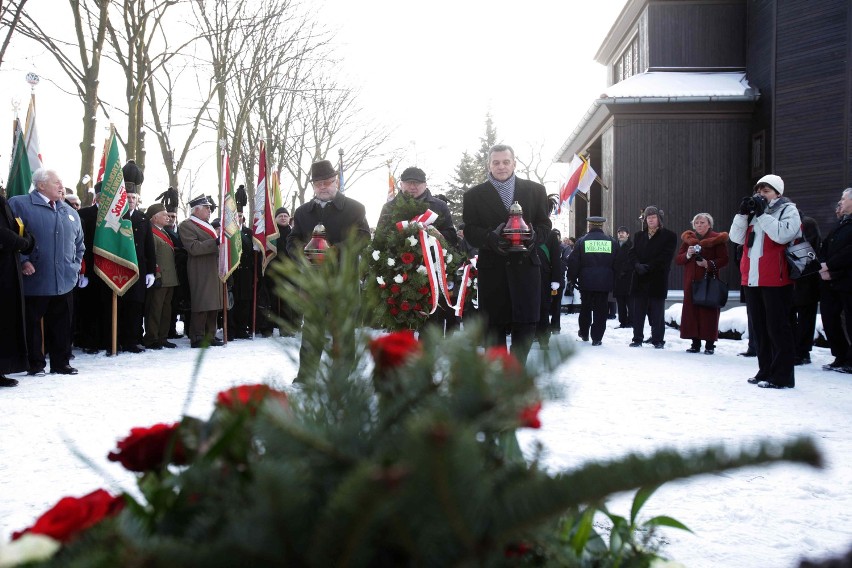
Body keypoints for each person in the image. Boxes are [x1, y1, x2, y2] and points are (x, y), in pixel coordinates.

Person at [462, 144, 551, 365]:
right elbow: (470, 230)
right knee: (493, 325)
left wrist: (533, 237)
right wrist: (489, 238)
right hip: (493, 269)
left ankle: (516, 369)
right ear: (489, 164)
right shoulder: (473, 195)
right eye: (496, 162)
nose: (501, 167)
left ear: (514, 163)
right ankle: (498, 373)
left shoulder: (535, 190)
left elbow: (545, 225)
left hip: (526, 268)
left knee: (527, 321)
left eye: (505, 162)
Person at [286, 159, 370, 382]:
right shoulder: (303, 212)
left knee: (342, 330)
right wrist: (303, 252)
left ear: (336, 182)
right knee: (312, 328)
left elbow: (363, 237)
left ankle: (342, 375)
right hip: (314, 281)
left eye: (327, 182)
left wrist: (335, 251)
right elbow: (292, 239)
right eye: (318, 183)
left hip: (344, 278)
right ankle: (306, 376)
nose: (323, 187)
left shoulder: (355, 208)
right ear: (313, 186)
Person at [9, 168, 85, 376]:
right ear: (41, 185)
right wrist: (23, 260)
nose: (62, 186)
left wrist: (75, 265)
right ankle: (35, 363)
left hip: (64, 280)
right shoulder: (19, 204)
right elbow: (11, 236)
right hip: (35, 279)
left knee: (62, 324)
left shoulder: (69, 211)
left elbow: (79, 244)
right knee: (31, 324)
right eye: (56, 183)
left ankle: (61, 363)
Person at [729, 174, 801, 389]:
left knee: (778, 328)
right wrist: (742, 215)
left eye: (766, 190)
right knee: (760, 328)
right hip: (753, 278)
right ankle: (765, 370)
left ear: (778, 193)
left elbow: (783, 234)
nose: (761, 195)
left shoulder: (788, 210)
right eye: (759, 191)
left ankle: (782, 377)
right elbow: (735, 238)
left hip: (776, 280)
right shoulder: (753, 213)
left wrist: (762, 214)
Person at [378, 166, 459, 335]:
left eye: (417, 183)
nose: (413, 187)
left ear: (426, 184)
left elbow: (452, 237)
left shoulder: (439, 206)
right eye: (408, 183)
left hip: (431, 274)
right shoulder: (389, 208)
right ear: (401, 184)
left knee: (431, 325)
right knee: (400, 322)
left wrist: (439, 235)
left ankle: (427, 359)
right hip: (399, 272)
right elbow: (380, 237)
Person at [675, 213, 729, 355]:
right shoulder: (688, 239)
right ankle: (695, 343)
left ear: (709, 224)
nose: (699, 225)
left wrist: (708, 264)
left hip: (708, 281)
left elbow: (724, 259)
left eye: (702, 222)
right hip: (690, 282)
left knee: (708, 312)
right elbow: (678, 259)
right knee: (691, 312)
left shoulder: (716, 239)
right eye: (696, 223)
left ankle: (709, 344)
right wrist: (687, 254)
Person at [117, 161, 156, 353]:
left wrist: (151, 271)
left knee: (135, 306)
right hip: (119, 267)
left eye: (133, 197)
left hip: (139, 269)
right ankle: (116, 339)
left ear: (137, 199)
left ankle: (132, 340)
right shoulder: (115, 217)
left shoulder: (143, 219)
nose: (130, 199)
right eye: (127, 196)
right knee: (119, 305)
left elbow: (150, 248)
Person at [628, 205, 677, 348]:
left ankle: (657, 339)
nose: (650, 220)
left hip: (657, 278)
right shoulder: (639, 235)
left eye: (653, 217)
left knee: (657, 312)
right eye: (648, 217)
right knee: (638, 312)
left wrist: (648, 267)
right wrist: (637, 265)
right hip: (640, 278)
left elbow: (666, 256)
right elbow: (632, 253)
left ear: (659, 219)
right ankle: (637, 338)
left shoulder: (669, 235)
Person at [179, 195, 224, 348]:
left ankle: (210, 335)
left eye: (209, 208)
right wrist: (215, 242)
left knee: (213, 304)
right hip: (200, 268)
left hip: (213, 267)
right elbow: (193, 248)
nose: (209, 210)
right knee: (201, 303)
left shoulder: (207, 225)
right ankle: (197, 336)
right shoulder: (187, 225)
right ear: (196, 209)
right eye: (207, 208)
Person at [0, 193, 35, 386]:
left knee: (5, 319)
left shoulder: (2, 200)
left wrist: (26, 238)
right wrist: (12, 239)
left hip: (8, 269)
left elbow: (15, 224)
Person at [566, 216, 616, 346]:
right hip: (604, 282)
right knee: (601, 309)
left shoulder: (581, 241)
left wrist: (572, 278)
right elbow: (617, 263)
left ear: (589, 226)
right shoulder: (611, 241)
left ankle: (584, 333)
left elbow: (573, 261)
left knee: (586, 308)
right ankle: (597, 337)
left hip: (586, 282)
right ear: (601, 226)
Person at [818, 188, 852, 374]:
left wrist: (829, 266)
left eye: (843, 198)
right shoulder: (841, 222)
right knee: (830, 318)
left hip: (846, 279)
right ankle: (840, 356)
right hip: (830, 280)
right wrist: (822, 265)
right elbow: (826, 244)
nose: (840, 202)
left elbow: (848, 252)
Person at [142, 203, 179, 349]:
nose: (168, 217)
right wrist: (156, 274)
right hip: (159, 277)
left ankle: (162, 337)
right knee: (154, 310)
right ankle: (152, 338)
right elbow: (152, 256)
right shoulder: (150, 233)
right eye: (164, 215)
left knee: (166, 310)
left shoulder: (164, 231)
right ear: (154, 218)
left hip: (169, 278)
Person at [790, 214, 821, 365]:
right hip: (794, 280)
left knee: (805, 318)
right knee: (793, 316)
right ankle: (796, 349)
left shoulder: (807, 223)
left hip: (807, 279)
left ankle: (803, 352)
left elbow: (809, 251)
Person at [265, 207, 297, 336]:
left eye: (285, 216)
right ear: (276, 219)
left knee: (287, 302)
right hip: (272, 272)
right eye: (280, 216)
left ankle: (286, 329)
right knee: (271, 301)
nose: (283, 218)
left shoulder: (294, 233)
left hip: (290, 272)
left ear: (289, 218)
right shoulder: (271, 235)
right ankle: (268, 328)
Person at [612, 226, 633, 329]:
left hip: (629, 279)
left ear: (628, 234)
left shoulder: (631, 246)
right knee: (620, 303)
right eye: (619, 232)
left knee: (630, 302)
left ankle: (631, 322)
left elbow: (632, 261)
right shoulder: (615, 245)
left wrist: (623, 270)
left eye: (623, 232)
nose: (621, 234)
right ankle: (622, 322)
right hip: (618, 279)